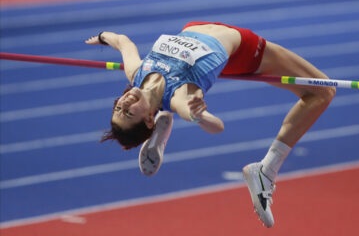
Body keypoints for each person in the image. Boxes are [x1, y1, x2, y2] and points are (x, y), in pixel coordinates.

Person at [85, 21, 336, 228]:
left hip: (198, 27)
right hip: (243, 50)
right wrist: (200, 116)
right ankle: (266, 170)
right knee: (323, 91)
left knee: (321, 90)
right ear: (147, 119)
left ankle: (164, 120)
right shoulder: (180, 96)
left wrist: (101, 36)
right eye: (128, 113)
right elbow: (217, 126)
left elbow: (123, 42)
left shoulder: (136, 73)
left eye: (118, 107)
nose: (124, 103)